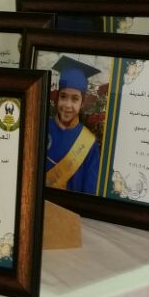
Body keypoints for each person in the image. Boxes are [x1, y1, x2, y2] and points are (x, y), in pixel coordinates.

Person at [45, 56, 101, 194]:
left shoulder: (89, 143)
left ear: (82, 103)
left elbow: (90, 192)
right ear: (57, 98)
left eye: (75, 99)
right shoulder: (42, 128)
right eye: (63, 96)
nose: (67, 105)